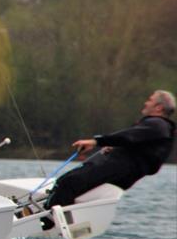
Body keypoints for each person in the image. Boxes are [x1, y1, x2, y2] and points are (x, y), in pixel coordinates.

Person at [43, 90, 175, 220]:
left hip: (117, 169)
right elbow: (137, 142)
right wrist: (116, 146)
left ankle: (46, 222)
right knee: (69, 185)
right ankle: (57, 217)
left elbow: (127, 137)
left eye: (150, 100)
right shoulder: (161, 128)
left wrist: (96, 141)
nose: (146, 103)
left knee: (66, 183)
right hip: (122, 173)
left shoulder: (157, 124)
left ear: (159, 107)